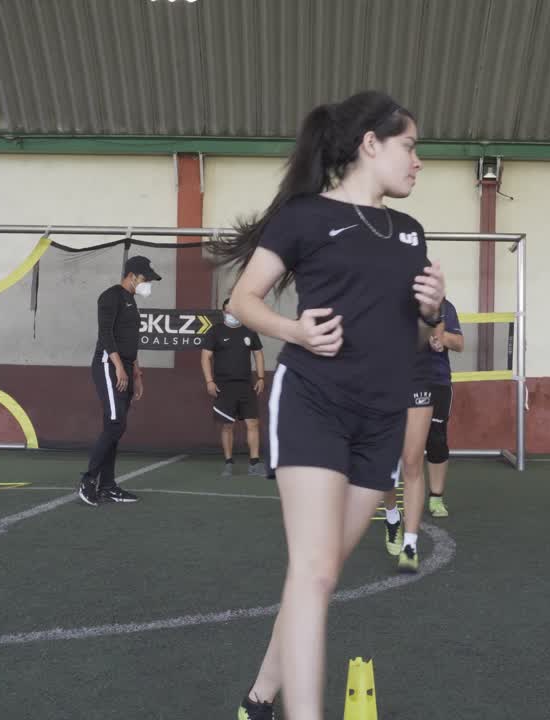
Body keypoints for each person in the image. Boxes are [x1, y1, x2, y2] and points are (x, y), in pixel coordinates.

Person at [213, 91, 444, 720]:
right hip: (315, 402)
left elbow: (416, 335)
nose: (418, 160)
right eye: (410, 145)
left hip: (382, 418)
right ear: (370, 143)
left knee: (319, 579)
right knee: (312, 573)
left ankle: (260, 699)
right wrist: (295, 331)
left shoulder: (410, 232)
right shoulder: (305, 217)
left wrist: (429, 310)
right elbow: (243, 300)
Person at [380, 296, 462, 571]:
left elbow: (447, 339)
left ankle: (410, 544)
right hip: (386, 382)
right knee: (387, 462)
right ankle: (392, 517)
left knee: (413, 460)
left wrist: (439, 340)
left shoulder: (439, 307)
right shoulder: (386, 297)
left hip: (423, 380)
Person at [77, 255, 160, 507]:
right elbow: (106, 334)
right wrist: (118, 368)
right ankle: (89, 480)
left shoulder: (131, 303)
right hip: (106, 364)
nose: (148, 284)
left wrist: (136, 372)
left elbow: (130, 342)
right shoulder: (110, 296)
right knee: (115, 423)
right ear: (132, 276)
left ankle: (109, 486)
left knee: (116, 426)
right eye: (146, 279)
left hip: (124, 366)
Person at [203, 298, 267, 477]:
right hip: (223, 387)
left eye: (234, 310)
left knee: (253, 423)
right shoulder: (215, 331)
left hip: (246, 385)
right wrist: (209, 381)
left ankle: (254, 464)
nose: (231, 314)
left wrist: (261, 377)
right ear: (223, 312)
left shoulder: (249, 330)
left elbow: (258, 354)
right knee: (227, 426)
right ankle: (228, 463)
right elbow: (205, 357)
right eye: (227, 311)